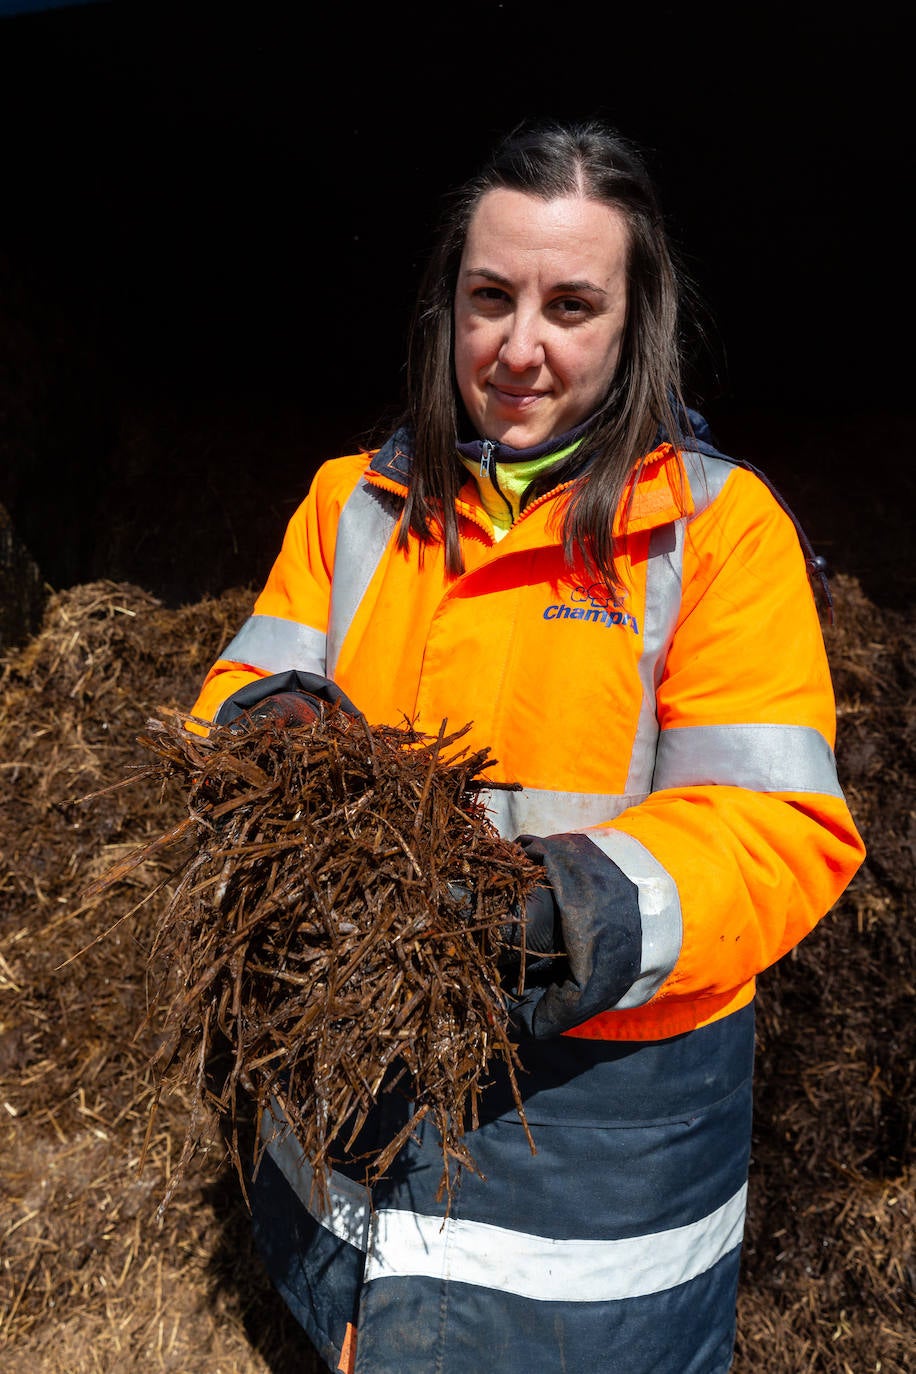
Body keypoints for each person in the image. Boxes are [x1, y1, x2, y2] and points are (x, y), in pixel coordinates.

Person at [190, 120, 865, 1374]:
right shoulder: (357, 500)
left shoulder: (716, 532)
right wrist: (268, 733)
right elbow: (237, 684)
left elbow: (778, 827)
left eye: (570, 305)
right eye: (488, 299)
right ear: (444, 307)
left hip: (585, 1150)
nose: (519, 348)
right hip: (356, 1102)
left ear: (633, 320)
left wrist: (569, 911)